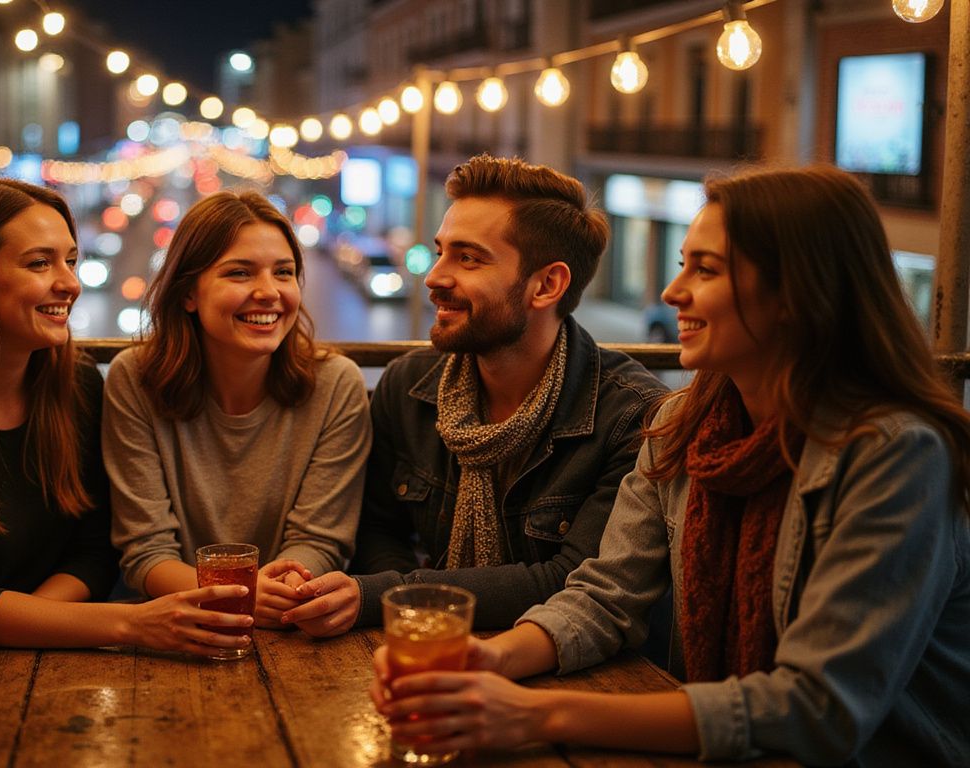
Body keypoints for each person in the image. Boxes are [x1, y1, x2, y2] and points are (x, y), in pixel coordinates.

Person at [370, 165, 970, 766]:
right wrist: (492, 658)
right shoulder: (684, 425)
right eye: (682, 263)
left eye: (704, 269)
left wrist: (533, 713)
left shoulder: (896, 454)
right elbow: (604, 595)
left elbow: (818, 708)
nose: (670, 291)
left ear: (796, 295)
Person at [0, 177, 256, 661]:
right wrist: (132, 623)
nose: (71, 283)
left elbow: (93, 551)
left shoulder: (76, 383)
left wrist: (31, 626)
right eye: (40, 263)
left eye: (71, 260)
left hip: (24, 656)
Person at [283, 155, 665, 637]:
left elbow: (570, 582)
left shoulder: (629, 415)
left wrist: (389, 597)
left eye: (468, 258)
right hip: (421, 648)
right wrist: (411, 615)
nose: (434, 277)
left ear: (547, 285)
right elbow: (379, 529)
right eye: (441, 251)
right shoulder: (409, 387)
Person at [104, 190, 372, 628]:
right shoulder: (134, 379)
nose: (268, 292)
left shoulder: (336, 383)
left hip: (291, 616)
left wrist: (277, 590)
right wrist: (241, 595)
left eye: (283, 273)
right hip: (174, 622)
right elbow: (146, 551)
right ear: (188, 292)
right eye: (240, 273)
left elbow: (320, 542)